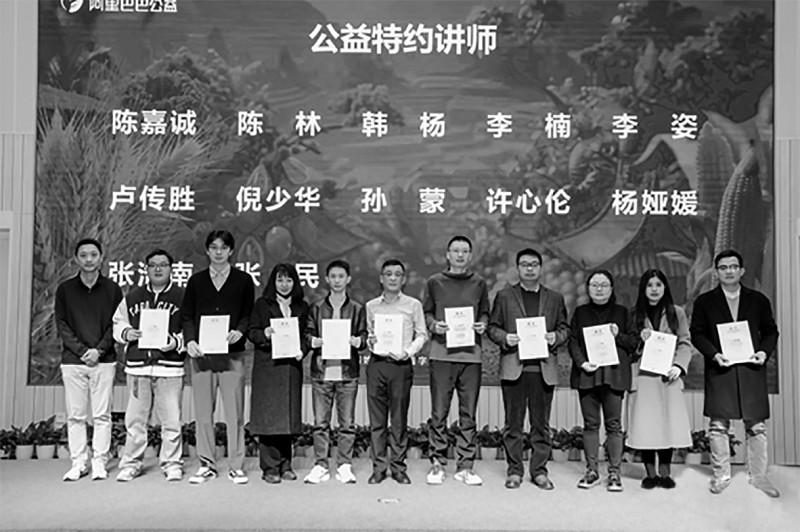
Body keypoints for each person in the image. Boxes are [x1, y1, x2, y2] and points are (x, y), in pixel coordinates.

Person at [690, 249, 780, 497]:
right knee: (718, 426)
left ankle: (759, 476)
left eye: (733, 267)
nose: (728, 271)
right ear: (716, 272)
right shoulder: (705, 302)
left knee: (757, 427)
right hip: (721, 368)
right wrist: (713, 354)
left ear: (742, 271)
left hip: (751, 368)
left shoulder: (758, 300)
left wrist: (763, 352)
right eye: (723, 267)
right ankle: (721, 475)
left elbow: (770, 331)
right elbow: (697, 333)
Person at [487, 248, 570, 490]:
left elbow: (565, 328)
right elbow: (492, 328)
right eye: (525, 264)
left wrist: (556, 337)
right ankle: (514, 470)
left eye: (534, 264)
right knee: (513, 424)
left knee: (541, 425)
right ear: (518, 268)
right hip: (515, 368)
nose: (530, 268)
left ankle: (539, 471)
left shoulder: (555, 298)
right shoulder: (504, 296)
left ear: (541, 268)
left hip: (543, 370)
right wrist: (505, 337)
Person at [181, 230, 255, 485]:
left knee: (235, 413)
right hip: (202, 356)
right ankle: (206, 464)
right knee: (203, 413)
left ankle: (236, 465)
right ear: (207, 250)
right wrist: (190, 340)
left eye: (223, 248)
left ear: (231, 251)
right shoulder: (196, 281)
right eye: (214, 247)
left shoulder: (243, 280)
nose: (218, 252)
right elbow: (187, 316)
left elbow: (248, 314)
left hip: (232, 355)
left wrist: (240, 331)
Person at [113, 249, 186, 482]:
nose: (158, 269)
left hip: (169, 367)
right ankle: (131, 463)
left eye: (163, 264)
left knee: (171, 420)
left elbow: (192, 328)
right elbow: (118, 322)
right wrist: (126, 332)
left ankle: (172, 463)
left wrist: (176, 342)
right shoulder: (133, 296)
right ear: (146, 269)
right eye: (153, 265)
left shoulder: (182, 296)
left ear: (171, 269)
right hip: (138, 367)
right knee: (135, 420)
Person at [424, 235, 490, 486]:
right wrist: (434, 325)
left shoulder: (479, 283)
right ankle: (437, 462)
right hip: (441, 354)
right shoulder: (434, 282)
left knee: (468, 413)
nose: (460, 255)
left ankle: (465, 465)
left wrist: (482, 324)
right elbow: (427, 312)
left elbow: (485, 312)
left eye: (465, 251)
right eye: (456, 250)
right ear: (448, 255)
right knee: (439, 412)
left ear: (470, 256)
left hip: (471, 355)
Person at [55, 238, 123, 481]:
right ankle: (79, 462)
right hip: (73, 361)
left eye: (93, 254)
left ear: (101, 258)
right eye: (83, 255)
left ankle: (100, 461)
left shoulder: (113, 289)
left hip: (104, 361)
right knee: (76, 416)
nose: (89, 259)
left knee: (102, 416)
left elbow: (117, 324)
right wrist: (83, 351)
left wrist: (98, 351)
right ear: (76, 259)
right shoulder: (65, 289)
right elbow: (62, 324)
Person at [568, 270, 637, 492]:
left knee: (614, 425)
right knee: (590, 424)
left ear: (611, 288)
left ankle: (614, 473)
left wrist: (618, 335)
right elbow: (573, 341)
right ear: (588, 288)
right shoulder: (580, 312)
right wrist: (581, 363)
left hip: (614, 375)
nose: (599, 289)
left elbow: (633, 343)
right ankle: (592, 471)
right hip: (587, 373)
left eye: (604, 285)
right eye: (594, 285)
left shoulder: (622, 312)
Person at [303, 260, 367, 484]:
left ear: (348, 279)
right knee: (320, 423)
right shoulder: (316, 307)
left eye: (341, 276)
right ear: (327, 279)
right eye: (333, 276)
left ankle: (344, 465)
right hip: (322, 371)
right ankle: (321, 465)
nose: (337, 280)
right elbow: (307, 334)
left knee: (347, 424)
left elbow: (364, 336)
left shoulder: (357, 308)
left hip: (347, 372)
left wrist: (359, 341)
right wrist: (313, 341)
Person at [626, 269, 692, 489]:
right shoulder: (634, 314)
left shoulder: (677, 313)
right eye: (649, 285)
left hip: (668, 376)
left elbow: (685, 342)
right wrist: (639, 340)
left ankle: (665, 473)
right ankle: (650, 474)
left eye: (658, 285)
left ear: (665, 287)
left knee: (667, 423)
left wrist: (679, 366)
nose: (654, 289)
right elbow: (627, 346)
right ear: (643, 289)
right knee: (646, 424)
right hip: (643, 376)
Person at [365, 259, 427, 484]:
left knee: (399, 419)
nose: (393, 278)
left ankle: (399, 467)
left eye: (397, 274)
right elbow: (369, 335)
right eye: (388, 274)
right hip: (377, 364)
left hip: (401, 366)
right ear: (381, 278)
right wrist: (371, 341)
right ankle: (379, 467)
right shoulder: (371, 306)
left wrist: (408, 352)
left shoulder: (413, 305)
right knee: (377, 421)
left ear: (403, 279)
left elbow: (422, 334)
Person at [247, 263, 309, 484]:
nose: (284, 284)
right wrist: (264, 333)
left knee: (287, 417)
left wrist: (303, 350)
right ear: (273, 282)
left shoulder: (302, 306)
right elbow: (251, 332)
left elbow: (306, 335)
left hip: (291, 367)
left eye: (289, 280)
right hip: (268, 367)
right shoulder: (262, 304)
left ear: (295, 282)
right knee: (269, 417)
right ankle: (269, 467)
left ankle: (285, 465)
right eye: (280, 280)